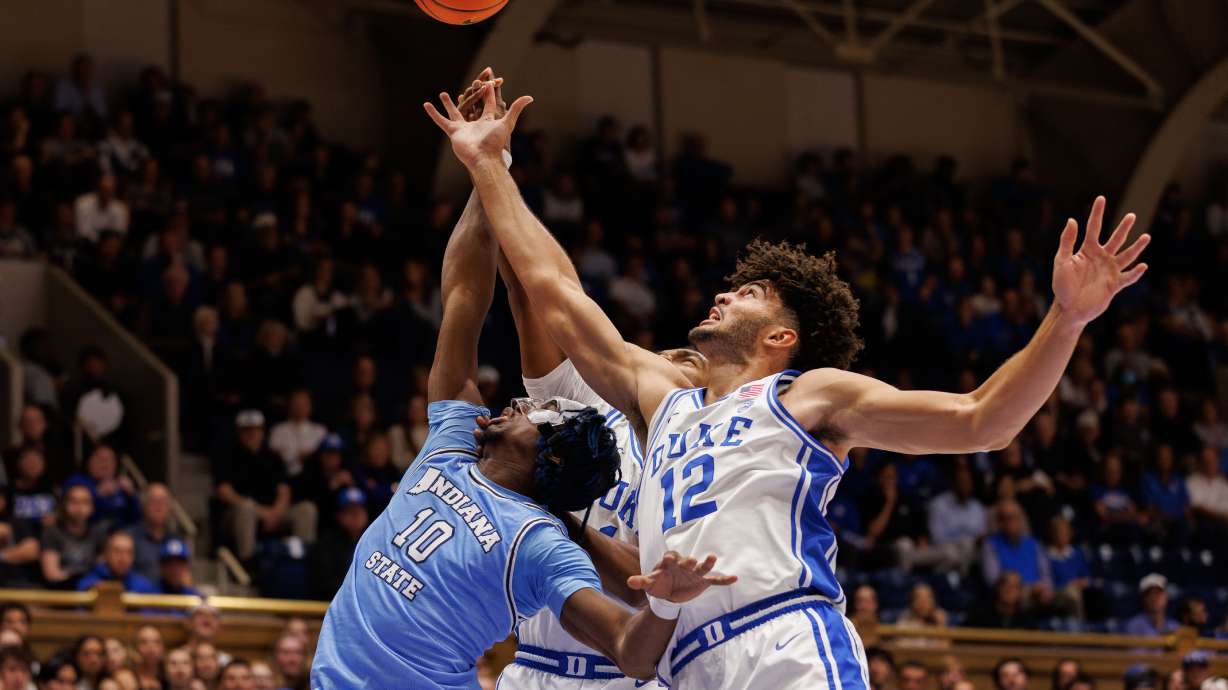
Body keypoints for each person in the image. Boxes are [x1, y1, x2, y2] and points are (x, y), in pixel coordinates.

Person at [428, 74, 1148, 689]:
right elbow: (554, 291)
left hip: (783, 640)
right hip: (685, 663)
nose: (724, 293)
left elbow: (982, 420)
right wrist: (489, 163)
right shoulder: (662, 400)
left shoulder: (810, 395)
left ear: (781, 338)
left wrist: (1067, 319)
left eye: (750, 293)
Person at [311, 95, 734, 690]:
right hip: (532, 666)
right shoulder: (475, 437)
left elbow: (636, 621)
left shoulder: (550, 531)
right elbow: (495, 294)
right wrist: (488, 163)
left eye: (683, 362)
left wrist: (655, 596)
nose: (519, 401)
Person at [215, 409, 317, 561]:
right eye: (247, 430)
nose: (252, 434)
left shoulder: (273, 457)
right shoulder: (228, 456)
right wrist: (262, 512)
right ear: (239, 432)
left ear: (262, 431)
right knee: (246, 507)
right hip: (241, 514)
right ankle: (248, 562)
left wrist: (276, 512)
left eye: (256, 429)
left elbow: (284, 490)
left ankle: (303, 560)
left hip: (273, 512)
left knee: (306, 509)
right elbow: (224, 491)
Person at [40, 484, 107, 589]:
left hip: (89, 591)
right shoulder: (52, 532)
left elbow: (102, 570)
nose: (79, 508)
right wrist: (80, 579)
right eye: (74, 502)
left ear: (92, 507)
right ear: (64, 505)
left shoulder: (97, 533)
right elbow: (51, 574)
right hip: (60, 591)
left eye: (85, 502)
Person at [307, 487, 368, 601]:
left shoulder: (371, 541)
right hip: (330, 603)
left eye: (359, 510)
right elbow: (324, 583)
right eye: (350, 511)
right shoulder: (326, 543)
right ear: (339, 516)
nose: (355, 516)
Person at [124, 483, 180, 583]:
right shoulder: (128, 538)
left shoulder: (176, 540)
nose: (159, 507)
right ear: (144, 505)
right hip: (137, 592)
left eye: (163, 501)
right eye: (154, 501)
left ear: (169, 507)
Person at [267, 389, 326, 478]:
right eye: (296, 404)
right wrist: (299, 455)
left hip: (314, 478)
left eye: (304, 404)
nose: (300, 408)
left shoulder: (320, 431)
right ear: (289, 406)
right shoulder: (278, 430)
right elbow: (275, 454)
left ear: (310, 406)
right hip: (284, 476)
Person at [77, 531, 160, 593]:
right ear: (106, 554)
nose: (123, 558)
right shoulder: (89, 585)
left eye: (129, 553)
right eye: (117, 551)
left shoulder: (143, 586)